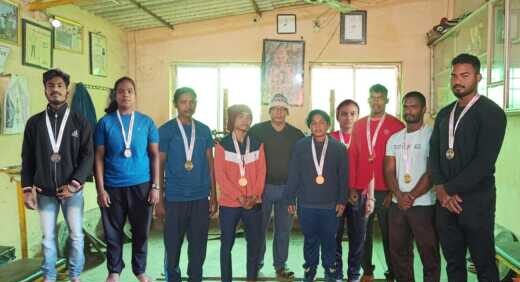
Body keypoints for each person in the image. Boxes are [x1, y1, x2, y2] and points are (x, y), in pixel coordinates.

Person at [430, 53, 506, 282]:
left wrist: (448, 190)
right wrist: (441, 190)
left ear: (478, 77)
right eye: (454, 76)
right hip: (445, 202)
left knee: (483, 262)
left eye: (465, 75)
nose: (457, 81)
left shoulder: (491, 113)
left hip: (475, 201)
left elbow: (483, 163)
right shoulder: (444, 113)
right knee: (453, 262)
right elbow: (434, 154)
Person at [21, 69, 93, 282]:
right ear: (45, 90)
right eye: (51, 86)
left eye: (60, 85)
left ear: (67, 90)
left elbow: (88, 155)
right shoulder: (34, 123)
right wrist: (27, 189)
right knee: (48, 239)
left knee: (76, 236)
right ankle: (49, 277)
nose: (55, 89)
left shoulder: (80, 121)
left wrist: (74, 184)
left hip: (72, 192)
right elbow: (27, 158)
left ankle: (74, 276)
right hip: (45, 192)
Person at [94, 77, 160, 282]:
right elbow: (98, 157)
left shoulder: (146, 122)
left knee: (141, 232)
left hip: (142, 184)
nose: (125, 94)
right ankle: (114, 271)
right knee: (112, 232)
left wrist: (156, 186)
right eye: (121, 91)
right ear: (115, 95)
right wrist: (101, 190)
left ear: (135, 95)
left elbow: (155, 155)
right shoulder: (104, 123)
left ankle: (140, 270)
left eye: (130, 91)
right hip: (113, 186)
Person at [156, 87, 217, 282]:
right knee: (172, 246)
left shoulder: (204, 130)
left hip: (200, 198)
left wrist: (214, 196)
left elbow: (210, 165)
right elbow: (159, 165)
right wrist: (158, 198)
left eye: (192, 102)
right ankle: (172, 278)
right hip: (174, 198)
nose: (188, 106)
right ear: (176, 104)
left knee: (198, 247)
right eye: (183, 101)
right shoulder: (165, 130)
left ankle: (195, 278)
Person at [348, 84, 404, 282]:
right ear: (368, 99)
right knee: (363, 234)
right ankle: (367, 271)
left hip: (386, 190)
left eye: (380, 97)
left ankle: (393, 271)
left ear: (387, 100)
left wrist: (393, 191)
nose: (376, 101)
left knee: (391, 235)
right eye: (373, 97)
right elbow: (352, 156)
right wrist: (352, 187)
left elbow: (402, 161)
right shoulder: (359, 124)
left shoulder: (398, 125)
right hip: (363, 190)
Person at [285, 110, 348, 282]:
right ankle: (310, 268)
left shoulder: (339, 148)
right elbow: (293, 174)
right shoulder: (300, 146)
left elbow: (343, 177)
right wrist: (290, 198)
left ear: (328, 125)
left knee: (329, 240)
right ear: (309, 126)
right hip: (307, 204)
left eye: (322, 122)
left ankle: (330, 269)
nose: (318, 126)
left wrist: (342, 201)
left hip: (330, 205)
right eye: (314, 123)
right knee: (310, 239)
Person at [384, 91, 440, 282]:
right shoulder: (394, 138)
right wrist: (399, 195)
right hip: (397, 205)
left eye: (413, 106)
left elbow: (432, 171)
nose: (409, 110)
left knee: (429, 253)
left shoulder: (432, 135)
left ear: (423, 109)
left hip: (423, 205)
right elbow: (389, 170)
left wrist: (411, 196)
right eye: (406, 106)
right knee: (399, 253)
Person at [249, 93, 304, 279]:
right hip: (261, 188)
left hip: (287, 190)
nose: (279, 112)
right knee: (259, 228)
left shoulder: (296, 134)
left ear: (287, 112)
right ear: (270, 111)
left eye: (282, 109)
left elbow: (299, 165)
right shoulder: (257, 131)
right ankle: (256, 263)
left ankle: (281, 264)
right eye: (275, 109)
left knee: (283, 229)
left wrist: (295, 191)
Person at [215, 104, 266, 282]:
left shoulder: (257, 144)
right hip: (230, 203)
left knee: (254, 244)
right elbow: (220, 175)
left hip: (253, 202)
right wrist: (238, 196)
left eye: (249, 116)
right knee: (226, 245)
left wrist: (254, 195)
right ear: (232, 120)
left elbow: (262, 172)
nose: (246, 120)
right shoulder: (222, 145)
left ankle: (251, 278)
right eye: (241, 116)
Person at [330, 99, 360, 281]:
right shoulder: (329, 139)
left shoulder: (363, 139)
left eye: (352, 113)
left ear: (357, 116)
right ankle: (337, 273)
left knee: (357, 238)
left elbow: (367, 168)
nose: (348, 117)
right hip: (335, 197)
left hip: (358, 195)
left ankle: (354, 274)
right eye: (344, 114)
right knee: (334, 237)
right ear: (337, 116)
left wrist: (355, 190)